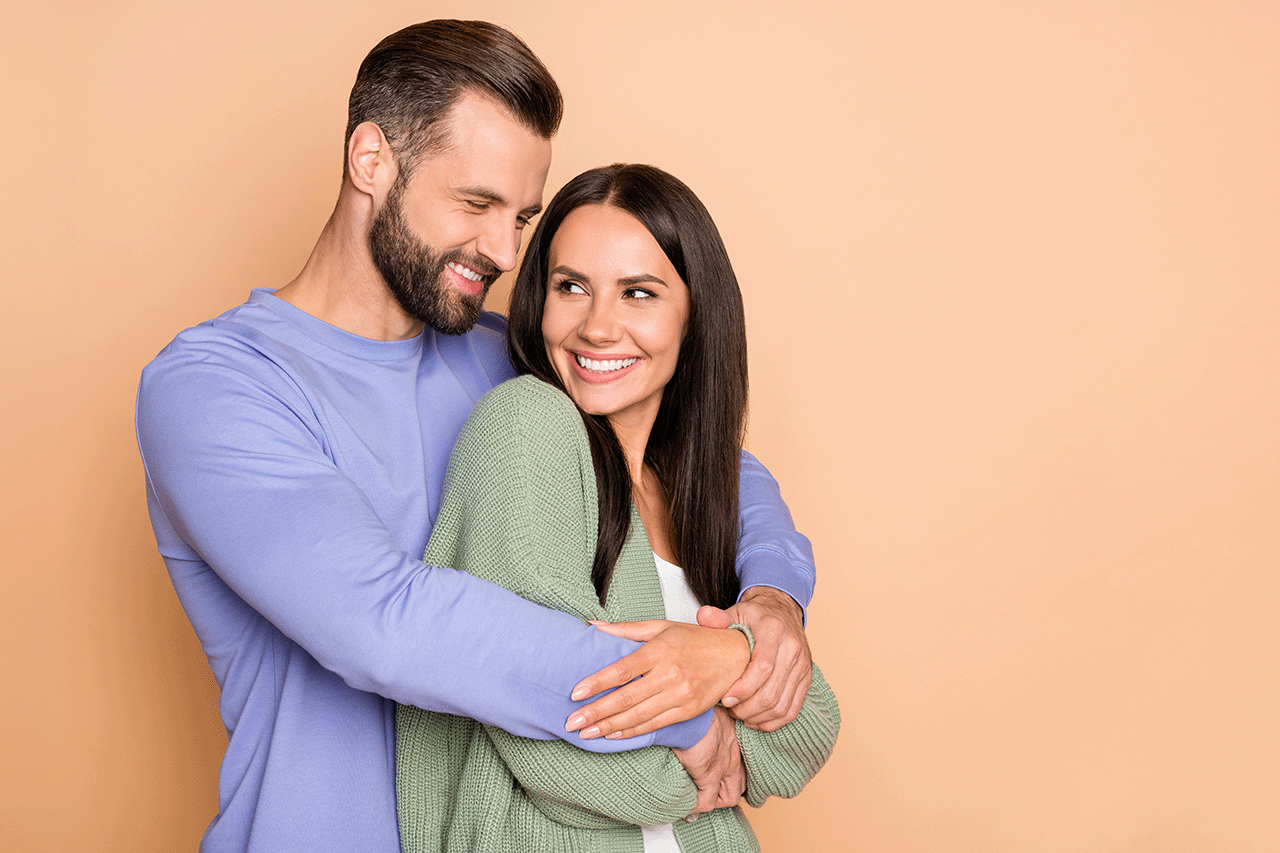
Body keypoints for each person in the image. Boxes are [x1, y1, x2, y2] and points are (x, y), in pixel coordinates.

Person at [134, 20, 817, 853]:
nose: (504, 250)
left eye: (522, 216)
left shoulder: (505, 358)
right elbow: (387, 622)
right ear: (371, 160)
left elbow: (705, 461)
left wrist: (768, 604)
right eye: (477, 203)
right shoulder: (216, 386)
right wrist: (682, 699)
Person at [396, 164, 839, 852]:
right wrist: (713, 747)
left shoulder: (701, 487)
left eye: (638, 293)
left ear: (695, 314)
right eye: (571, 287)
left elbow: (809, 727)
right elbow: (554, 731)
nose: (597, 327)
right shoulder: (525, 426)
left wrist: (727, 654)